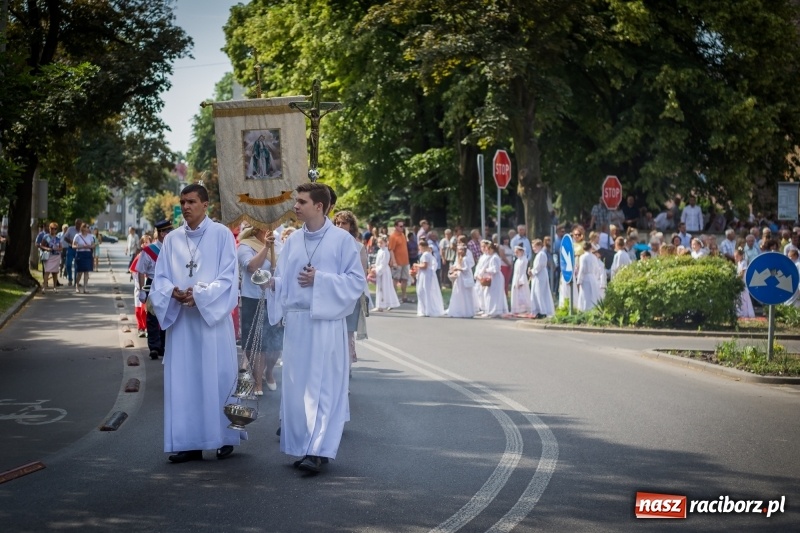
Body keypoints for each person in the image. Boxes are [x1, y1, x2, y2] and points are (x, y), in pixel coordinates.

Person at [266, 183, 364, 474]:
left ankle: (319, 450)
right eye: (296, 201)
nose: (295, 206)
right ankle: (302, 446)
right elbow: (284, 279)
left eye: (301, 201)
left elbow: (357, 283)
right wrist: (271, 283)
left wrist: (320, 280)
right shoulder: (293, 240)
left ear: (319, 207)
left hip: (325, 323)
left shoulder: (342, 241)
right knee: (297, 388)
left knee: (322, 387)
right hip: (297, 324)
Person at [150, 183, 241, 464]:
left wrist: (199, 295)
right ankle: (188, 442)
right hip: (183, 326)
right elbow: (161, 278)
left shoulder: (222, 235)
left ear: (205, 204)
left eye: (191, 202)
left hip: (211, 324)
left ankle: (225, 437)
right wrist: (172, 292)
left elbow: (228, 278)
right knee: (185, 382)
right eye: (182, 202)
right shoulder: (173, 240)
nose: (185, 207)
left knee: (218, 379)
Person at [237, 225, 282, 395]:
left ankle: (268, 372)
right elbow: (251, 266)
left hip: (273, 297)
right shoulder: (245, 245)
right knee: (253, 344)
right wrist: (265, 247)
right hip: (252, 298)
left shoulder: (278, 244)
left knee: (274, 343)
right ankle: (257, 382)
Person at [333, 210, 369, 365]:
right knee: (333, 335)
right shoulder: (329, 244)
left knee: (347, 334)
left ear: (351, 226)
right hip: (332, 294)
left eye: (344, 223)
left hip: (350, 296)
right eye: (337, 223)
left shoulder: (358, 247)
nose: (340, 226)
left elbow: (361, 275)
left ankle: (346, 371)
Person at [137, 220, 172, 360]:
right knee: (152, 317)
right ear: (162, 233)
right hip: (152, 284)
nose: (170, 234)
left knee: (166, 315)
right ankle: (154, 347)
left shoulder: (173, 249)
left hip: (168, 285)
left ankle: (163, 346)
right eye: (168, 232)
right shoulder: (149, 250)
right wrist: (141, 290)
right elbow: (140, 270)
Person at [415, 239, 445, 317]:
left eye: (420, 246)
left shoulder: (425, 255)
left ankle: (426, 310)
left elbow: (424, 266)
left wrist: (416, 265)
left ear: (422, 246)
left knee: (423, 290)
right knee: (423, 291)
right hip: (426, 274)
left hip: (425, 275)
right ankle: (425, 309)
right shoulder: (428, 254)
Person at [478, 242, 508, 317]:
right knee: (490, 294)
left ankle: (493, 311)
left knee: (493, 294)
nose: (487, 251)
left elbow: (496, 269)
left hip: (496, 278)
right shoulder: (493, 257)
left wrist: (486, 270)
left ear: (491, 249)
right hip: (494, 277)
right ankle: (490, 310)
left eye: (488, 249)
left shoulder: (495, 257)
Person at [446, 243, 475, 318]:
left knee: (464, 294)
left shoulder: (465, 259)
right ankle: (459, 310)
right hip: (459, 278)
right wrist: (453, 269)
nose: (460, 251)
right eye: (459, 250)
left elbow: (466, 269)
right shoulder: (459, 258)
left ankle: (466, 311)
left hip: (464, 278)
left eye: (462, 250)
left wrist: (457, 269)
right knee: (458, 293)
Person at [529, 239, 555, 318]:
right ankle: (538, 310)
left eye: (534, 247)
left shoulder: (541, 254)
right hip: (539, 275)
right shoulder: (540, 254)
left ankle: (542, 311)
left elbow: (538, 267)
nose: (533, 249)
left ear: (539, 246)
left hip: (540, 276)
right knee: (537, 293)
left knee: (539, 293)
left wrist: (532, 271)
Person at [373, 235, 400, 311]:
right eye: (378, 243)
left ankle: (386, 304)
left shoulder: (386, 252)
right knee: (380, 288)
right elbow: (378, 262)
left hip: (384, 272)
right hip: (380, 270)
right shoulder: (379, 251)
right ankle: (380, 305)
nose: (379, 244)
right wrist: (374, 266)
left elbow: (384, 263)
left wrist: (377, 270)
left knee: (385, 287)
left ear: (385, 243)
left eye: (381, 243)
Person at [388, 219, 412, 303]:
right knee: (395, 279)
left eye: (403, 226)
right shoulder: (393, 236)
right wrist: (393, 261)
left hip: (405, 261)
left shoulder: (402, 235)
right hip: (397, 262)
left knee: (405, 279)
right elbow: (391, 250)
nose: (403, 227)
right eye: (401, 226)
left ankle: (404, 296)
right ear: (396, 226)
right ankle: (394, 297)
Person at [576, 242, 601, 311]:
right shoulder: (594, 257)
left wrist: (579, 280)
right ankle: (592, 309)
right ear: (590, 248)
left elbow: (582, 269)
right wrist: (596, 277)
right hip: (593, 277)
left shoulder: (583, 257)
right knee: (592, 295)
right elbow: (597, 269)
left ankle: (584, 310)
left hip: (586, 278)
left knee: (585, 295)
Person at [38, 222, 62, 292]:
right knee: (47, 271)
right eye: (51, 228)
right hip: (49, 256)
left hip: (56, 256)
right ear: (49, 229)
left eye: (55, 229)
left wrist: (57, 249)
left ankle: (55, 287)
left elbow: (61, 248)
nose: (53, 230)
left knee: (55, 272)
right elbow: (41, 245)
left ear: (56, 230)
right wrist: (47, 248)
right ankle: (44, 287)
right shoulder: (46, 236)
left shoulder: (58, 238)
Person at [73, 222, 95, 293]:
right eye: (85, 227)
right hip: (80, 254)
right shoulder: (77, 236)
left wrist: (90, 246)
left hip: (87, 254)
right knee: (79, 272)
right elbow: (73, 246)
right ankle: (77, 285)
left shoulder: (90, 236)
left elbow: (93, 245)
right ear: (82, 228)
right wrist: (81, 246)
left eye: (87, 228)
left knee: (86, 272)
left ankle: (85, 288)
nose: (86, 229)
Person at [510, 245, 531, 315]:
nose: (516, 254)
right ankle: (516, 308)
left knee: (522, 293)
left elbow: (522, 271)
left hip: (521, 277)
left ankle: (524, 309)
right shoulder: (518, 260)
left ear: (522, 251)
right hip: (516, 277)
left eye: (517, 252)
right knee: (516, 293)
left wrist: (520, 281)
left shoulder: (524, 260)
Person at [735, 248, 755, 318]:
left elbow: (742, 274)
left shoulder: (744, 262)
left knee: (744, 297)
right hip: (739, 282)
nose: (736, 258)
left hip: (743, 282)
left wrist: (736, 278)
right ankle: (740, 311)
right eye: (735, 256)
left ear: (741, 256)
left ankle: (746, 312)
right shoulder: (738, 263)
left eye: (737, 256)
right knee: (739, 297)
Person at [62, 218, 82, 287]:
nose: (78, 225)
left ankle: (76, 282)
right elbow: (65, 237)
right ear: (75, 223)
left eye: (79, 224)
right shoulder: (70, 229)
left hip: (78, 250)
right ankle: (70, 279)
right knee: (68, 264)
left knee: (77, 266)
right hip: (70, 248)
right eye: (77, 224)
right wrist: (71, 242)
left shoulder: (82, 230)